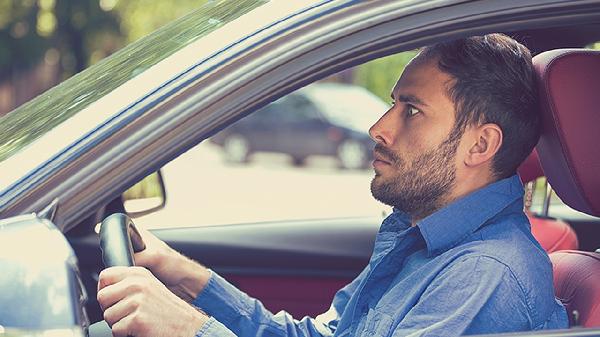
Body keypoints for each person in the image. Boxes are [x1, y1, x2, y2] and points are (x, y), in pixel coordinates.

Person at [96, 34, 569, 337]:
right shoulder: (419, 237)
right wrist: (182, 273)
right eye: (393, 104)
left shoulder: (485, 277)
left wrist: (189, 329)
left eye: (412, 109)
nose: (379, 127)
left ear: (480, 144)